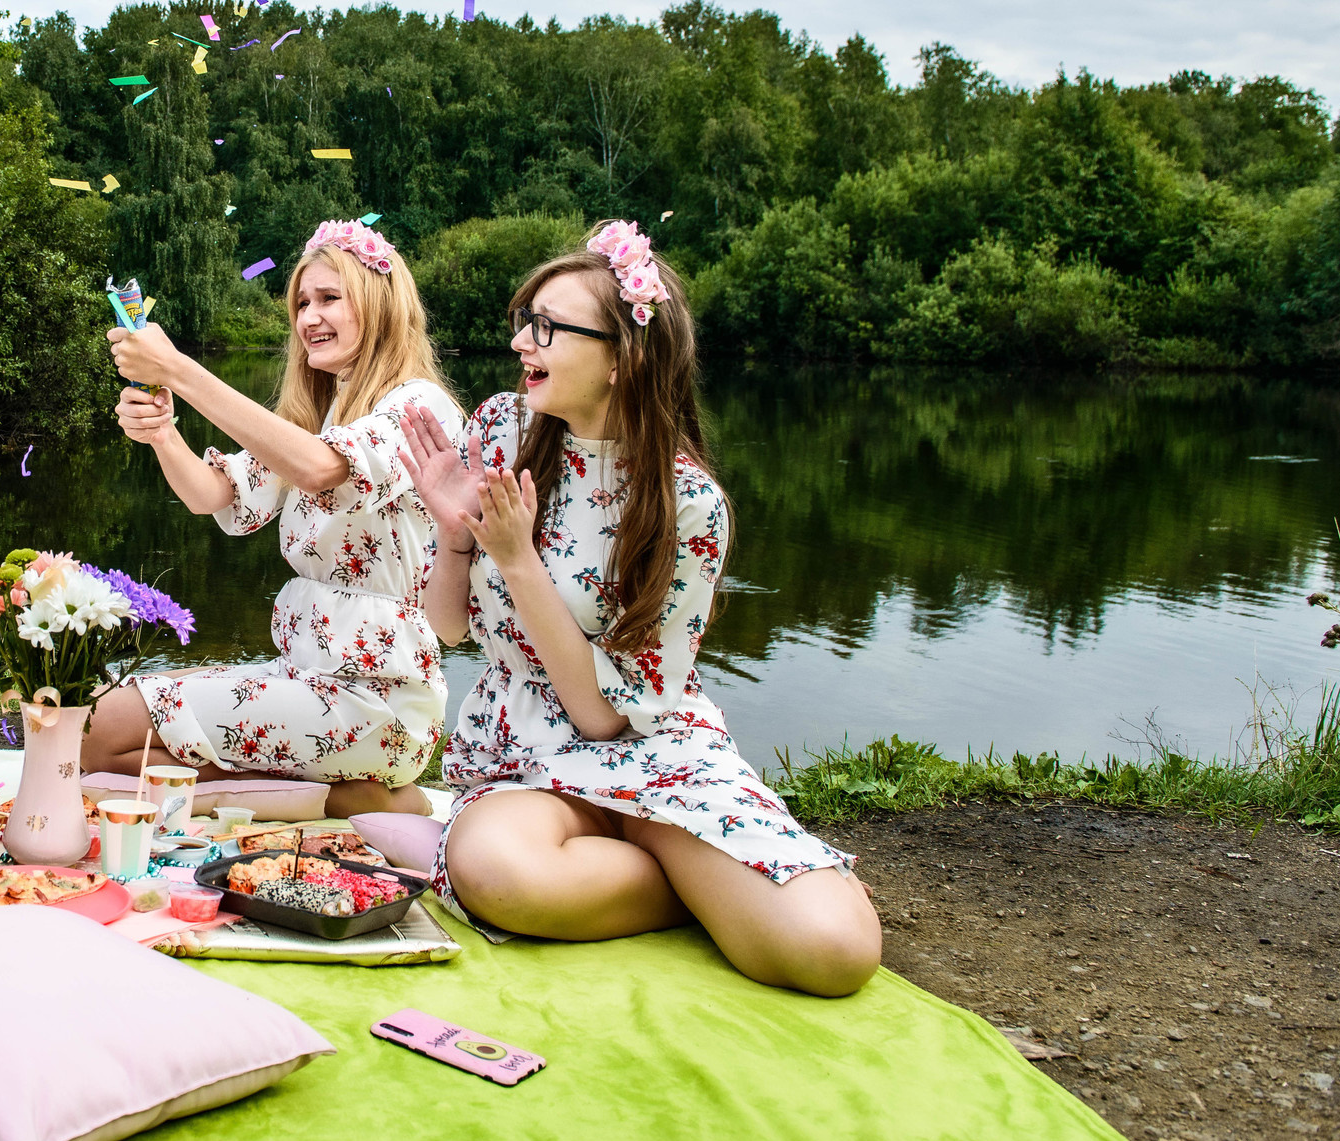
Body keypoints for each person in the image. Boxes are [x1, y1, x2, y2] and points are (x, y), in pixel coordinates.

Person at [400, 220, 881, 995]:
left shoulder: (691, 506)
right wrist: (456, 536)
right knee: (496, 871)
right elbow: (452, 628)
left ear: (622, 357)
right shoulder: (502, 427)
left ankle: (687, 857)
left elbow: (604, 716)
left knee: (834, 949)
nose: (523, 341)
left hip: (648, 743)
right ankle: (690, 882)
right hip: (525, 749)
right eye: (525, 321)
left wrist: (520, 562)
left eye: (548, 327)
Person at [83, 219, 459, 819]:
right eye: (302, 303)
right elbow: (215, 495)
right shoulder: (317, 413)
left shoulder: (417, 405)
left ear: (380, 306)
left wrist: (180, 368)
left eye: (330, 299)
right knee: (98, 734)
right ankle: (343, 797)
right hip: (307, 675)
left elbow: (320, 469)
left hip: (377, 701)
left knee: (100, 733)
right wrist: (162, 432)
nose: (309, 317)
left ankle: (352, 790)